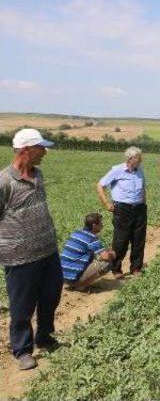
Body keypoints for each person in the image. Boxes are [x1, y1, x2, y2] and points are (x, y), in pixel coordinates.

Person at [0, 128, 62, 370]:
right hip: (19, 256)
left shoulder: (39, 175)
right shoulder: (5, 181)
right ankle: (22, 350)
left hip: (48, 250)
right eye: (40, 148)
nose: (45, 152)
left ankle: (44, 337)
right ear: (26, 150)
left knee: (50, 297)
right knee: (22, 306)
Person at [96, 146, 147, 278]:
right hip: (123, 209)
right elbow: (100, 185)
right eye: (138, 158)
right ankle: (116, 269)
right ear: (130, 158)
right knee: (121, 240)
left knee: (138, 239)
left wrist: (144, 204)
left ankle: (136, 268)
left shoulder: (139, 171)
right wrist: (106, 203)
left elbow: (143, 189)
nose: (141, 160)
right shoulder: (117, 170)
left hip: (139, 208)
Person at [60, 213, 116, 291]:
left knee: (92, 257)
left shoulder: (76, 233)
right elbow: (106, 257)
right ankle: (81, 285)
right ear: (94, 225)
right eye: (100, 224)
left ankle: (77, 282)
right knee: (107, 263)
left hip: (63, 277)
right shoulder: (92, 238)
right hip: (74, 279)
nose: (102, 226)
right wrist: (112, 254)